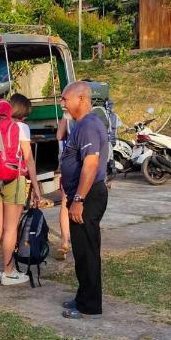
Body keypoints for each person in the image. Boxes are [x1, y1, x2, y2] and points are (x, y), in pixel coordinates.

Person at [59, 81, 109, 318]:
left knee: (87, 251)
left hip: (87, 197)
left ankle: (89, 306)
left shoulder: (88, 126)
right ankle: (83, 297)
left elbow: (90, 165)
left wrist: (78, 198)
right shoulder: (81, 125)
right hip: (82, 196)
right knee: (82, 250)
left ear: (80, 99)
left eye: (65, 98)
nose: (62, 103)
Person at [0, 93, 42, 285]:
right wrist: (36, 187)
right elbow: (28, 160)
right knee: (10, 229)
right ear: (23, 112)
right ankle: (8, 272)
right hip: (14, 179)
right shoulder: (21, 127)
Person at [54, 112, 72, 260]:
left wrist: (66, 116)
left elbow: (59, 136)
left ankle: (65, 242)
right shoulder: (88, 116)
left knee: (65, 204)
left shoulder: (68, 117)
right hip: (81, 167)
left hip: (69, 166)